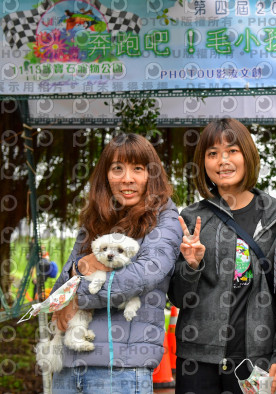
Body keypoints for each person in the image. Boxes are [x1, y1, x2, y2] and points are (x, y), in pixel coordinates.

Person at [50, 133, 182, 393]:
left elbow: (139, 277)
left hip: (121, 370)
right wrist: (79, 268)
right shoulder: (94, 219)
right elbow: (59, 288)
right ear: (106, 175)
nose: (127, 178)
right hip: (68, 365)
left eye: (138, 169)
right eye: (117, 168)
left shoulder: (165, 218)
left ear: (151, 175)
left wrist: (75, 298)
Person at [168, 118, 276, 394]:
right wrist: (191, 266)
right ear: (204, 163)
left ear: (247, 155)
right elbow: (178, 298)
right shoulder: (191, 218)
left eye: (232, 151)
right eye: (213, 153)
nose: (223, 161)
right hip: (198, 359)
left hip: (257, 358)